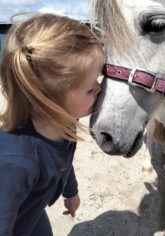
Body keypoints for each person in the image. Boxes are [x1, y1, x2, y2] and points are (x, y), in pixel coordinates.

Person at [0, 14, 104, 236]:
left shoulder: (63, 123)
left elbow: (62, 162)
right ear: (48, 99)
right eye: (90, 87)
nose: (99, 88)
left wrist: (70, 191)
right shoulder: (16, 164)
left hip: (32, 211)